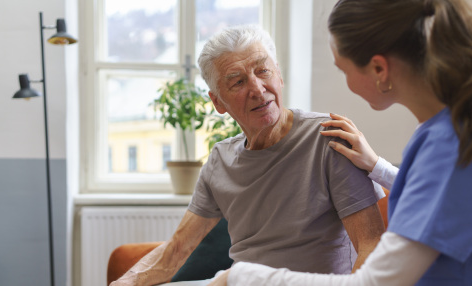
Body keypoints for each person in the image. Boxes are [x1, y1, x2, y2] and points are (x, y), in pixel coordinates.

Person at [208, 0, 472, 285]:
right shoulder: (468, 124)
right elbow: (450, 201)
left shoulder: (454, 145)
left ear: (378, 69)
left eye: (342, 69)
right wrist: (377, 166)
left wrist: (243, 275)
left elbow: (375, 283)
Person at [109, 25, 386, 286]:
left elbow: (371, 246)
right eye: (238, 81)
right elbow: (177, 250)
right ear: (218, 101)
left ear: (279, 74)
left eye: (263, 71)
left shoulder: (330, 138)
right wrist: (126, 281)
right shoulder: (220, 160)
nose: (257, 89)